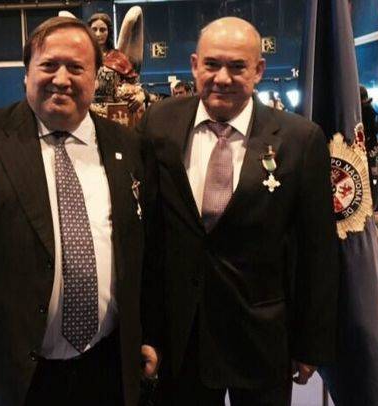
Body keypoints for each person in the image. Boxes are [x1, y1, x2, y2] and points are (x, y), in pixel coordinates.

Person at [0, 17, 157, 406]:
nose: (61, 79)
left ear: (95, 77)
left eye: (76, 67)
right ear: (26, 72)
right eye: (49, 65)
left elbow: (145, 249)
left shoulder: (128, 145)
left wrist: (146, 334)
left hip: (107, 363)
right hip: (10, 366)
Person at [137, 17, 339, 405]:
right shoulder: (158, 124)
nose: (222, 78)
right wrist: (144, 329)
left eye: (237, 66)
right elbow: (148, 233)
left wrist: (311, 342)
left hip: (263, 336)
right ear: (194, 65)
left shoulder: (300, 140)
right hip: (180, 337)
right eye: (212, 64)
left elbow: (318, 252)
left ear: (258, 70)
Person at [88, 13, 145, 116]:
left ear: (109, 32)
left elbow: (135, 83)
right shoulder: (82, 57)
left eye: (102, 30)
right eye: (94, 29)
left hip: (112, 113)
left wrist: (140, 95)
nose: (98, 34)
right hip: (86, 112)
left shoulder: (118, 58)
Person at [360, 85, 378, 174]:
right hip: (370, 144)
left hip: (365, 145)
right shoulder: (369, 108)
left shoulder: (364, 109)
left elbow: (368, 130)